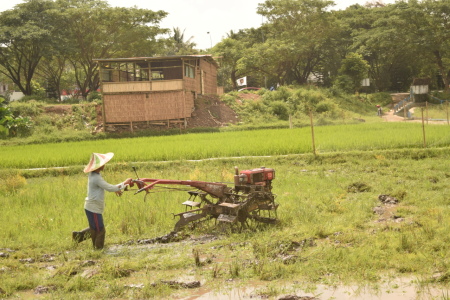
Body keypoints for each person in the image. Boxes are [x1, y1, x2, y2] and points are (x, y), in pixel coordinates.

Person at [72, 152, 132, 250]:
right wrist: (125, 183)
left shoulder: (95, 175)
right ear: (98, 166)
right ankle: (98, 249)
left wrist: (116, 189)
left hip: (92, 207)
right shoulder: (96, 178)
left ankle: (78, 236)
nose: (104, 165)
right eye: (102, 164)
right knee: (99, 230)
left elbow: (104, 187)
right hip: (93, 208)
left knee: (94, 227)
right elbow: (109, 187)